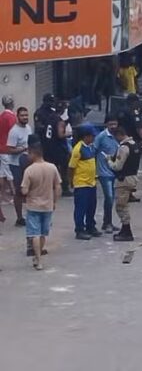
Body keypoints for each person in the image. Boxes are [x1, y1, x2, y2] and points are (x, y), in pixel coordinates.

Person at [21, 141, 61, 271]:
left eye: (28, 153)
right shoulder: (52, 167)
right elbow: (57, 186)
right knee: (43, 233)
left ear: (33, 153)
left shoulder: (29, 170)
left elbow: (24, 191)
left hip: (33, 206)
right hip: (48, 205)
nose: (27, 155)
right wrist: (55, 201)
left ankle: (38, 259)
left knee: (34, 234)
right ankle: (39, 256)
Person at [107, 126, 140, 242]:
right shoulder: (134, 144)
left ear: (119, 135)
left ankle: (127, 231)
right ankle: (124, 230)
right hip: (133, 177)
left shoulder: (124, 147)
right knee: (124, 204)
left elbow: (117, 166)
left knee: (121, 206)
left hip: (123, 180)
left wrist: (109, 161)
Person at [35, 94, 71, 196]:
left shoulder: (51, 115)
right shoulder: (41, 113)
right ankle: (63, 188)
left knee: (53, 167)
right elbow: (59, 134)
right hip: (54, 145)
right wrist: (69, 133)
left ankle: (53, 187)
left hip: (49, 145)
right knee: (61, 167)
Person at [69, 123, 101, 240]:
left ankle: (90, 226)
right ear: (86, 136)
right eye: (92, 136)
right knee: (81, 208)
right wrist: (71, 181)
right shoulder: (78, 149)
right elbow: (71, 167)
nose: (93, 138)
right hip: (81, 183)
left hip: (91, 183)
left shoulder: (91, 147)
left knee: (91, 207)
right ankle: (79, 229)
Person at [93, 114, 120, 233]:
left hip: (115, 171)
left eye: (115, 124)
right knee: (109, 197)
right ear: (106, 125)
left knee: (112, 197)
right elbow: (93, 151)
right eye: (111, 124)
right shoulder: (101, 137)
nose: (113, 126)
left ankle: (108, 222)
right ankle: (107, 223)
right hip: (104, 173)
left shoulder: (118, 135)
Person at [7, 107, 31, 230]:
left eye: (26, 115)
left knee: (29, 189)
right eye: (22, 115)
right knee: (19, 191)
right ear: (18, 116)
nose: (25, 117)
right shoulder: (14, 131)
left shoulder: (28, 128)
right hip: (16, 164)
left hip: (27, 162)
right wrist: (22, 149)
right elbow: (9, 149)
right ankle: (19, 217)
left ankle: (31, 216)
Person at [0, 95, 16, 225]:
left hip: (1, 147)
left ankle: (4, 194)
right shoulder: (10, 117)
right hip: (7, 148)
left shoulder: (1, 116)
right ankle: (12, 193)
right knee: (9, 173)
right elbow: (13, 132)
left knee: (2, 172)